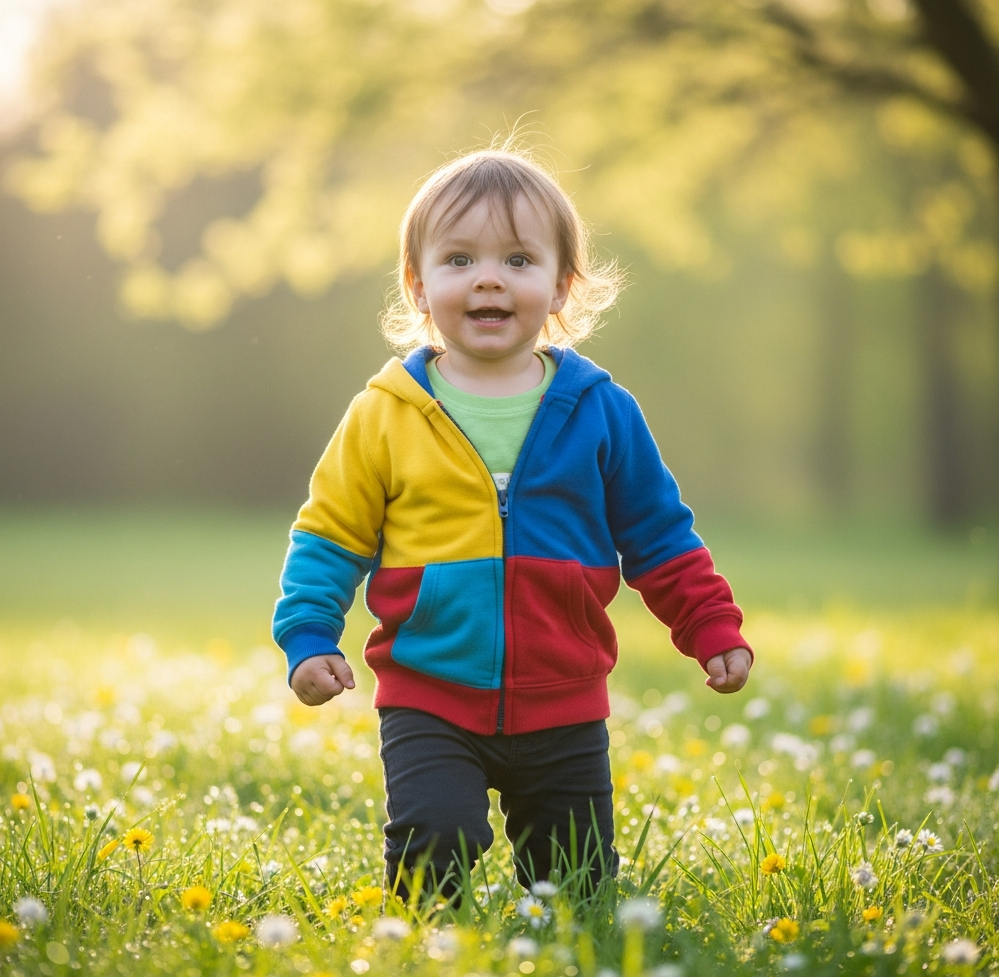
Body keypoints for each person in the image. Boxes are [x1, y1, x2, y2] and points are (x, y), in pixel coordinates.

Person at [272, 147, 752, 902]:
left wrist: (711, 626)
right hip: (429, 692)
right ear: (419, 285)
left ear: (561, 285)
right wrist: (307, 638)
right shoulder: (384, 415)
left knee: (578, 886)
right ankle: (429, 967)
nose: (489, 277)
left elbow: (659, 536)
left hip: (564, 696)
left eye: (519, 259)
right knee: (435, 842)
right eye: (459, 258)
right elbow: (329, 537)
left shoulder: (601, 410)